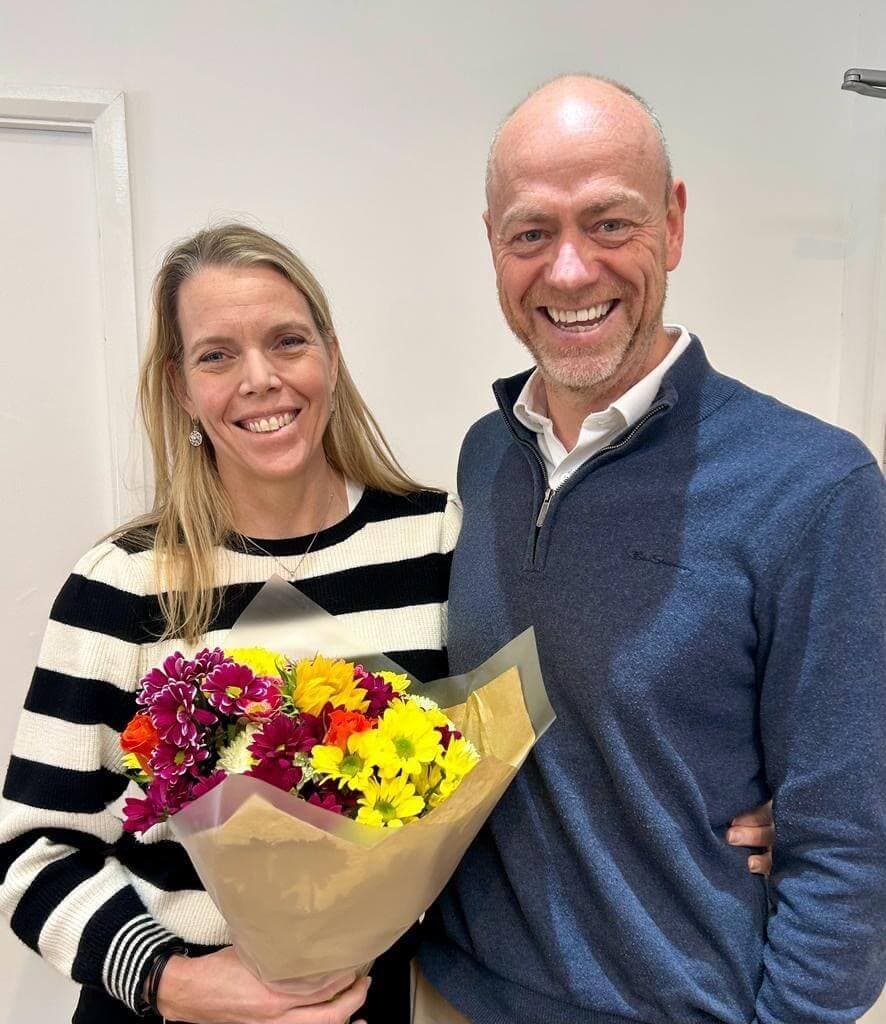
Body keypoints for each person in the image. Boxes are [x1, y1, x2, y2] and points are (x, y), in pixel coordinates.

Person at [416, 75, 886, 1023]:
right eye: (531, 232)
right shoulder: (486, 455)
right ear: (493, 248)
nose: (571, 270)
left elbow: (850, 845)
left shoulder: (816, 486)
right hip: (457, 990)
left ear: (672, 225)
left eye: (610, 223)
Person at [0, 223, 460, 1024]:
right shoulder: (123, 583)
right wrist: (176, 982)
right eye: (217, 355)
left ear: (331, 355)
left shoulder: (437, 542)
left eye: (288, 342)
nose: (261, 380)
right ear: (181, 387)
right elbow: (32, 855)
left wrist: (740, 819)